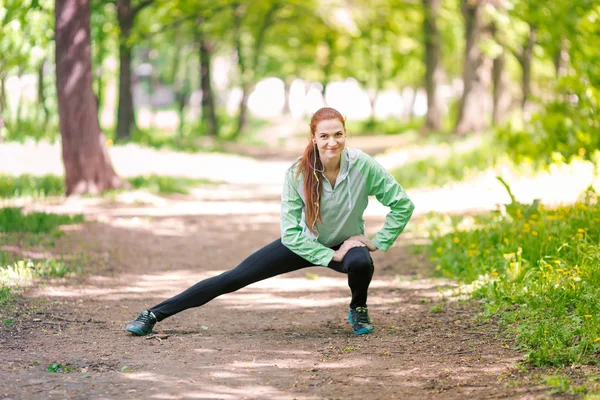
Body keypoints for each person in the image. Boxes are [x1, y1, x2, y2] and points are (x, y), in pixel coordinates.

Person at [125, 107, 415, 336]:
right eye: (324, 136)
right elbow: (291, 234)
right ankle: (153, 314)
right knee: (234, 277)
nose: (332, 142)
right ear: (313, 137)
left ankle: (358, 308)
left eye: (338, 134)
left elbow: (402, 204)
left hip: (348, 243)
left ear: (345, 134)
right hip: (303, 242)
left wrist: (376, 242)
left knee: (362, 263)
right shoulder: (297, 173)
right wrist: (329, 254)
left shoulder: (363, 165)